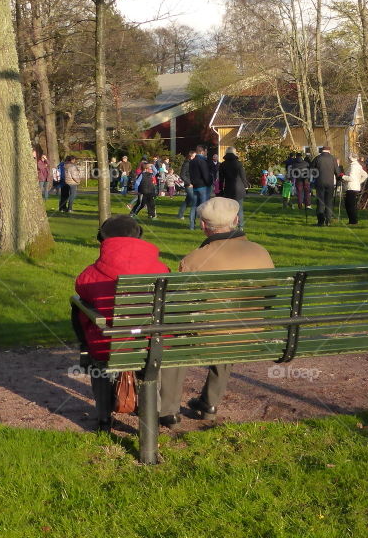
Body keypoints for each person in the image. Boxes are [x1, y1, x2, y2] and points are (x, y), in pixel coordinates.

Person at [159, 197, 274, 425]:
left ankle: (167, 410)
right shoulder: (260, 252)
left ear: (203, 225)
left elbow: (180, 307)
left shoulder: (194, 259)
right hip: (248, 330)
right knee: (228, 326)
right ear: (236, 220)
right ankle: (209, 403)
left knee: (176, 335)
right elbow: (270, 297)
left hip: (208, 332)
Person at [74, 215, 170, 431]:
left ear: (103, 240)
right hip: (151, 342)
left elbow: (80, 290)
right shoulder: (161, 270)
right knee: (151, 351)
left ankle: (104, 417)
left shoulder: (92, 273)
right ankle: (151, 414)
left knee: (87, 323)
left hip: (109, 345)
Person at [218, 148, 248, 228]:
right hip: (239, 189)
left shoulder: (222, 164)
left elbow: (221, 179)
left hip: (228, 189)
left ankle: (230, 225)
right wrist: (246, 186)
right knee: (239, 209)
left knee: (228, 209)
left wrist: (220, 189)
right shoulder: (239, 164)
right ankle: (240, 226)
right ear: (235, 154)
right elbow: (243, 177)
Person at [188, 144, 213, 230]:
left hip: (195, 186)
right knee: (204, 207)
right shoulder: (202, 161)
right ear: (202, 152)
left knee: (194, 206)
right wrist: (210, 182)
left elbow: (190, 174)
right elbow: (205, 174)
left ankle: (192, 225)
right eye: (206, 151)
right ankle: (203, 225)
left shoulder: (192, 161)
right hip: (203, 186)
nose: (206, 153)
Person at [312, 145, 339, 226]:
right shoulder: (333, 159)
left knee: (320, 202)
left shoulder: (317, 158)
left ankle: (320, 221)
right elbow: (337, 172)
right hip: (330, 183)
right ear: (329, 151)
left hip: (319, 183)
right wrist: (339, 179)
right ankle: (328, 220)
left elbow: (311, 170)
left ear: (321, 150)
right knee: (329, 202)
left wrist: (316, 175)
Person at [342, 153, 368, 225]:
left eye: (348, 158)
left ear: (351, 159)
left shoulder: (353, 167)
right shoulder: (358, 165)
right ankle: (352, 221)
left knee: (350, 205)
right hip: (355, 187)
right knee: (350, 205)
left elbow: (351, 178)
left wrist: (343, 177)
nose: (348, 159)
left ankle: (353, 221)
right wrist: (358, 182)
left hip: (351, 188)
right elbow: (365, 175)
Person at [177, 149, 196, 221]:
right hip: (189, 185)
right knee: (193, 200)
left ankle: (180, 215)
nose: (195, 157)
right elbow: (182, 175)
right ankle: (193, 216)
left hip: (192, 184)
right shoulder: (186, 164)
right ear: (191, 156)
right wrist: (189, 183)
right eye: (194, 156)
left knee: (187, 201)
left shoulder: (191, 163)